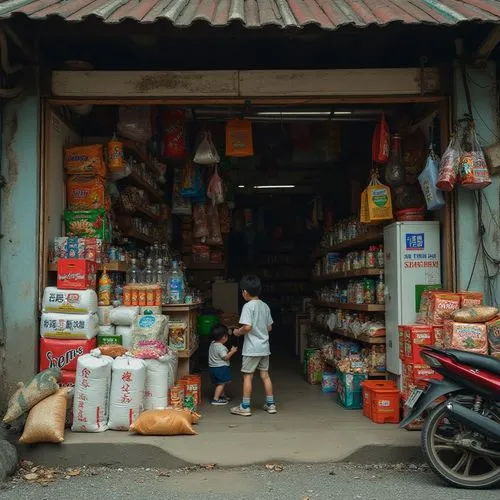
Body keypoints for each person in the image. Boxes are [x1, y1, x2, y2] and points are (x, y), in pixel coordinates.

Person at [231, 275, 276, 416]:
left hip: (251, 349)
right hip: (264, 348)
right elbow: (269, 328)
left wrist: (238, 332)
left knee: (248, 376)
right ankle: (271, 404)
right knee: (265, 375)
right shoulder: (265, 306)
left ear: (244, 292)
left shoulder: (248, 306)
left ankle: (245, 406)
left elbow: (248, 327)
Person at [208, 324, 238, 406]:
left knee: (218, 383)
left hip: (212, 368)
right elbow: (225, 357)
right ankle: (216, 399)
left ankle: (222, 395)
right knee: (221, 384)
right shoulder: (220, 347)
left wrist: (228, 329)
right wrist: (232, 351)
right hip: (220, 368)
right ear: (224, 337)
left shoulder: (212, 343)